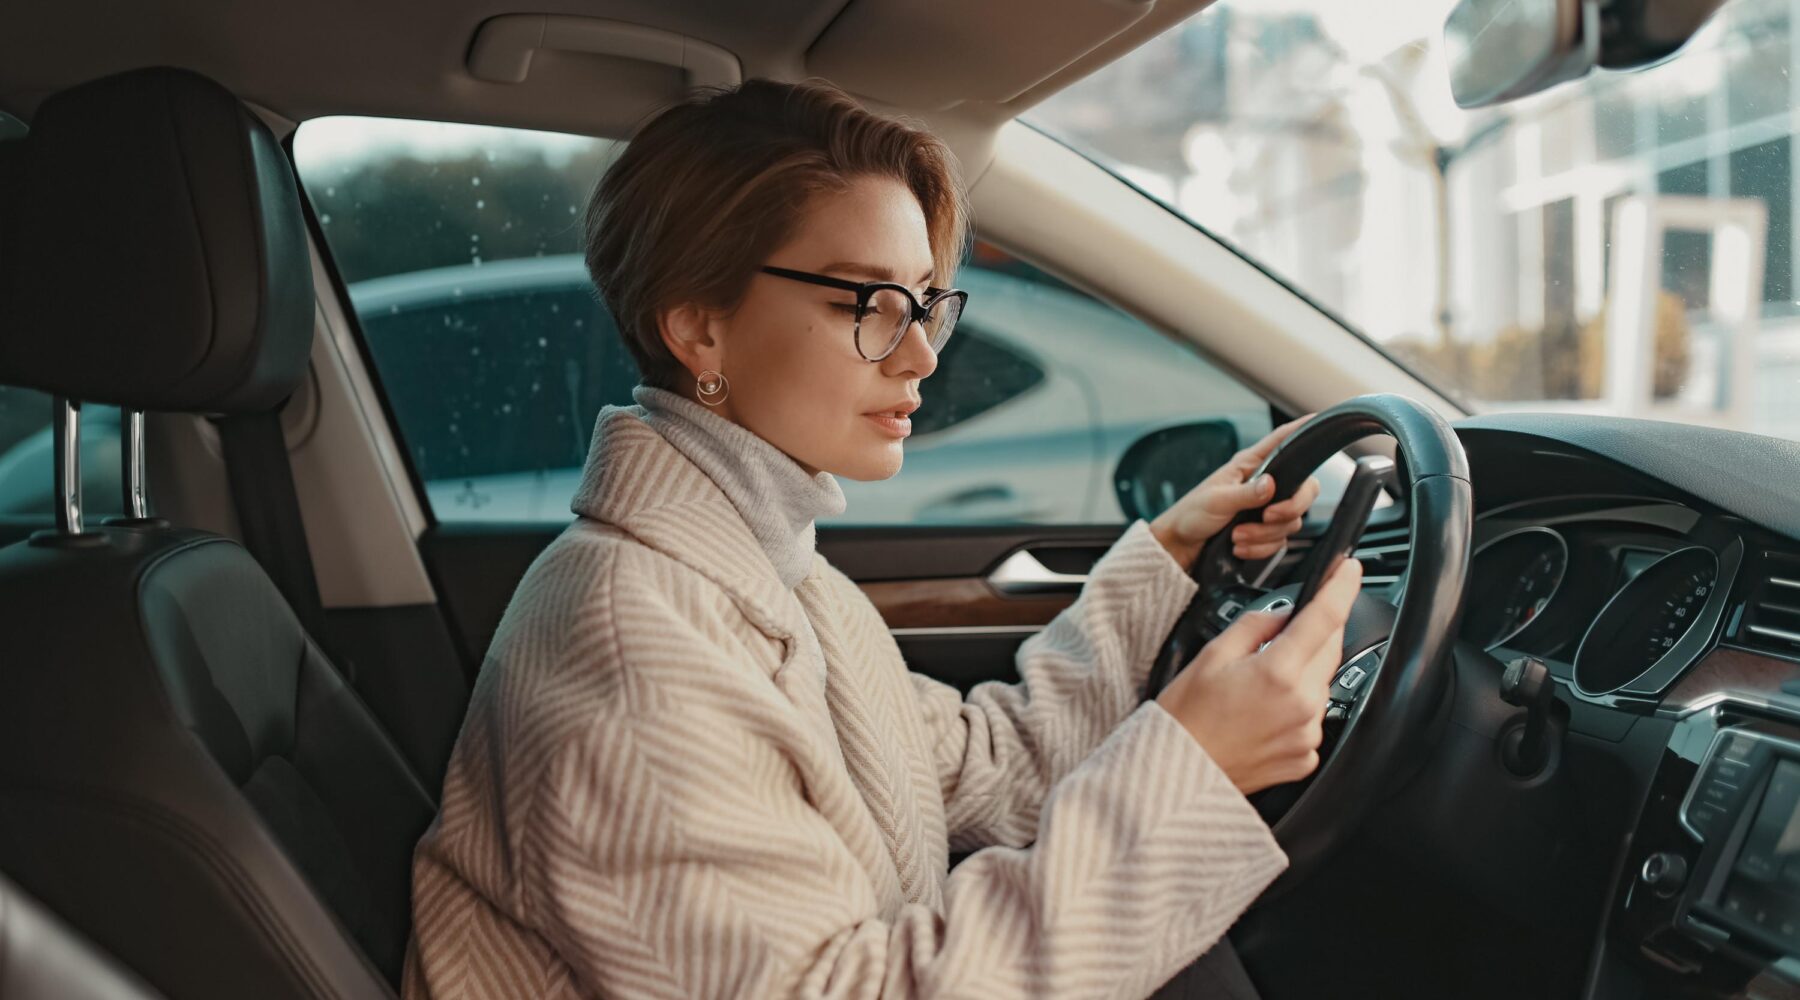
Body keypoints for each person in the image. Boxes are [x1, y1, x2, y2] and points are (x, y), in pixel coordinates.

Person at [402, 77, 1362, 1000]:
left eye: (925, 302)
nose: (923, 354)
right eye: (865, 302)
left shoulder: (778, 576)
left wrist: (1171, 555)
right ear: (699, 327)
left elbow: (991, 768)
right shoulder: (627, 640)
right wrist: (1192, 774)